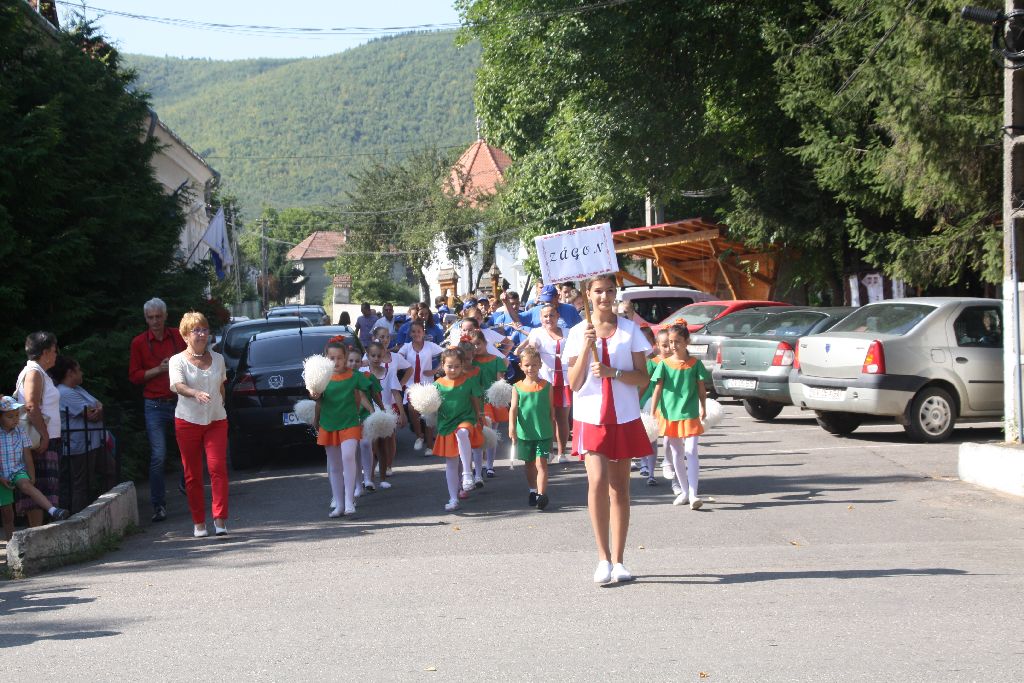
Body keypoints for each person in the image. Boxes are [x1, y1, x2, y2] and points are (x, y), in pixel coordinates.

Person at [565, 275, 651, 584]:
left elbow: (643, 378)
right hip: (590, 417)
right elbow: (574, 383)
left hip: (624, 417)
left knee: (620, 489)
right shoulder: (577, 333)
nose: (604, 296)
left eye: (609, 291)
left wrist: (614, 372)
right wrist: (588, 349)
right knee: (598, 482)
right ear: (588, 294)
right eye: (598, 291)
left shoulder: (630, 331)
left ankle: (619, 560)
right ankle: (602, 558)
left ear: (615, 293)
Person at [169, 311, 230, 538]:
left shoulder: (218, 358)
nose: (202, 334)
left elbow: (221, 384)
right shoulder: (177, 361)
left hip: (216, 419)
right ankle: (198, 523)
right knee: (192, 474)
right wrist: (194, 392)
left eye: (204, 329)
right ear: (185, 335)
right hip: (187, 421)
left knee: (217, 468)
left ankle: (220, 520)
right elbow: (177, 385)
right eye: (196, 330)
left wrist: (221, 402)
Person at [129, 297, 185, 523]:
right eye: (150, 317)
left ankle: (187, 485)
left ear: (165, 316)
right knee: (158, 456)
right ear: (145, 318)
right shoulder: (139, 343)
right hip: (154, 404)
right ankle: (158, 505)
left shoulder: (177, 336)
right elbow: (134, 376)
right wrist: (159, 369)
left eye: (158, 317)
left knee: (188, 450)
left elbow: (191, 360)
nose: (155, 321)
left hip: (180, 401)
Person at [650, 324, 709, 510]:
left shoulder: (695, 364)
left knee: (691, 451)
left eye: (677, 342)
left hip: (690, 413)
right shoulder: (664, 364)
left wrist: (703, 407)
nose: (673, 346)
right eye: (671, 342)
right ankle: (684, 491)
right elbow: (657, 388)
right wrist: (652, 412)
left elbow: (701, 388)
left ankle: (693, 493)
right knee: (676, 453)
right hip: (669, 413)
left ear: (687, 342)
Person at [312, 338, 372, 518]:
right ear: (326, 359)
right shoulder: (323, 378)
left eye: (339, 358)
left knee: (348, 457)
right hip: (329, 425)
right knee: (335, 466)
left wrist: (370, 412)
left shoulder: (355, 376)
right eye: (332, 358)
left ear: (345, 358)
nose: (336, 362)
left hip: (350, 423)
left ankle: (348, 501)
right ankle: (338, 504)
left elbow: (364, 392)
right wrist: (314, 395)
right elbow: (317, 398)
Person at [51, 356, 117, 513]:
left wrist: (98, 409)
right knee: (82, 484)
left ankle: (106, 508)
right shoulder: (64, 393)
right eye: (78, 369)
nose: (82, 373)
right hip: (80, 446)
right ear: (70, 373)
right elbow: (92, 413)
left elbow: (99, 405)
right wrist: (97, 410)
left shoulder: (78, 389)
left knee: (111, 471)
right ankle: (79, 518)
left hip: (94, 442)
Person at [1, 396, 69, 539]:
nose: (15, 419)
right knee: (7, 514)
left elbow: (27, 455)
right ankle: (11, 544)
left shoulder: (21, 431)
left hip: (17, 470)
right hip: (1, 474)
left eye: (16, 415)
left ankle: (53, 510)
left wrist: (31, 475)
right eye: (9, 416)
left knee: (27, 486)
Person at [15, 331, 64, 528]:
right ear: (44, 352)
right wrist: (44, 436)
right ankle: (36, 534)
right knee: (38, 488)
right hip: (39, 441)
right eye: (54, 350)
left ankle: (39, 533)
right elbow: (31, 406)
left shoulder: (40, 372)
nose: (56, 354)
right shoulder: (34, 372)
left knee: (44, 488)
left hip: (45, 439)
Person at [517, 303, 571, 463]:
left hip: (566, 381)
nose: (549, 319)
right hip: (545, 382)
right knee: (547, 418)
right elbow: (533, 347)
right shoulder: (536, 333)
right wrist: (529, 351)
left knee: (563, 418)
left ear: (558, 316)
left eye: (552, 315)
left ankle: (562, 453)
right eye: (545, 316)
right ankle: (547, 452)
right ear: (541, 318)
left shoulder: (569, 332)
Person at [431, 347, 484, 511]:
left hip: (466, 420)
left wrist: (479, 417)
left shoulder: (469, 380)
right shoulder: (437, 385)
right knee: (451, 463)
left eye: (457, 366)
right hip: (447, 425)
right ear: (442, 365)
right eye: (449, 366)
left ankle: (468, 473)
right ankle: (453, 498)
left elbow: (475, 399)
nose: (453, 370)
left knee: (462, 433)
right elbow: (431, 406)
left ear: (462, 366)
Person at [508, 347, 552, 511]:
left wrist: (552, 430)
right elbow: (513, 409)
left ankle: (542, 495)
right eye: (527, 365)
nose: (531, 368)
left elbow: (551, 410)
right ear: (521, 366)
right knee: (529, 464)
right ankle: (532, 491)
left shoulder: (547, 386)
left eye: (534, 365)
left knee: (542, 464)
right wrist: (512, 426)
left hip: (543, 432)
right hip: (525, 432)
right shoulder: (517, 387)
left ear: (540, 365)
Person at [397, 321, 444, 455]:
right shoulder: (406, 347)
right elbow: (397, 359)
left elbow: (447, 355)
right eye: (413, 332)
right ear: (410, 333)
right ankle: (419, 436)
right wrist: (405, 366)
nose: (416, 334)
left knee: (428, 415)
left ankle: (430, 446)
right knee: (412, 408)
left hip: (426, 384)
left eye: (419, 331)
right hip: (412, 385)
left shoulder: (430, 346)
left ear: (423, 333)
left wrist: (435, 371)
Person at [469, 330, 508, 479]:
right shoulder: (471, 362)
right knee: (478, 436)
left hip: (493, 401)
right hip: (477, 401)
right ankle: (477, 468)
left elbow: (500, 381)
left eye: (479, 344)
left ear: (485, 343)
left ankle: (490, 466)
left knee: (492, 435)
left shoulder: (497, 360)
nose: (476, 347)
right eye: (473, 345)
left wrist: (499, 395)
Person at [636, 329, 671, 487]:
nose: (669, 348)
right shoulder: (653, 362)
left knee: (668, 437)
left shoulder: (675, 362)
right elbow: (644, 384)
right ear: (657, 345)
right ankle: (649, 470)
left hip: (669, 403)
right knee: (651, 437)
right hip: (649, 402)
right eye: (664, 344)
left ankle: (664, 465)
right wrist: (636, 401)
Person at [350, 346, 385, 494]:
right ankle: (358, 485)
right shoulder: (341, 378)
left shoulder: (367, 376)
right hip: (349, 418)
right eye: (350, 360)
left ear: (361, 362)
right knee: (354, 451)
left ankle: (368, 478)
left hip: (366, 416)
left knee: (365, 444)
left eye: (357, 361)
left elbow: (375, 394)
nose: (354, 363)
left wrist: (382, 409)